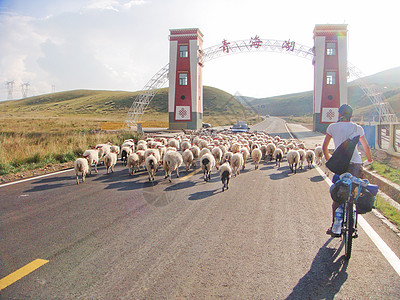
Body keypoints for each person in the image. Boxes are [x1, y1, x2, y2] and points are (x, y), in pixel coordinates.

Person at [322, 104, 373, 236]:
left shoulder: (332, 127)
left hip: (340, 164)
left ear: (339, 114)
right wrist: (370, 159)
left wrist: (329, 161)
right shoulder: (358, 128)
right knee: (354, 189)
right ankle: (353, 213)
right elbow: (365, 146)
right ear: (351, 115)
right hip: (355, 163)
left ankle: (334, 226)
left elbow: (324, 147)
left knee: (338, 193)